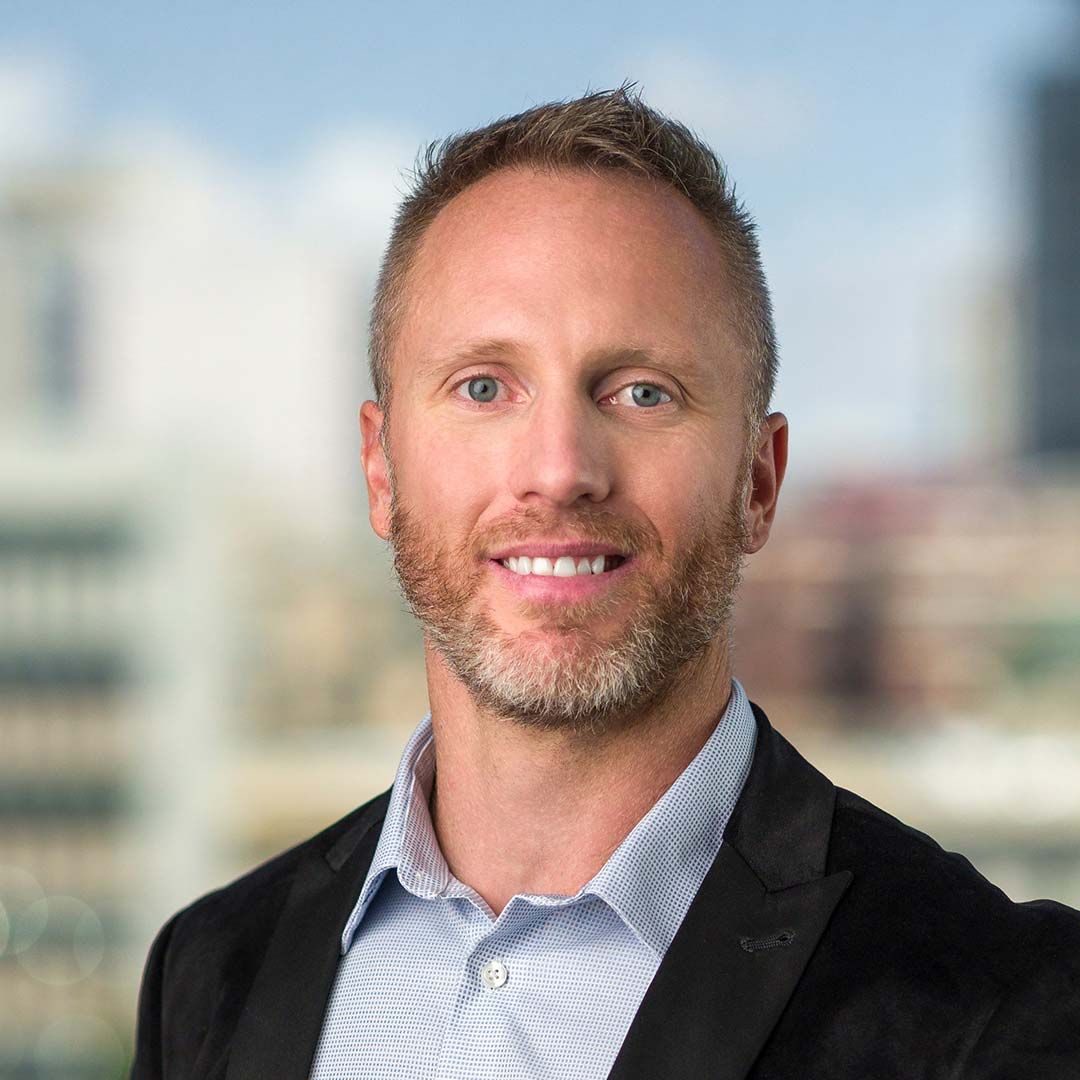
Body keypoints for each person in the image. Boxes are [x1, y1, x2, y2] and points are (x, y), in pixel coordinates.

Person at [130, 85, 1080, 1079]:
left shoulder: (999, 1007)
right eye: (484, 386)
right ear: (381, 469)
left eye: (641, 392)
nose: (559, 469)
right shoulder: (211, 971)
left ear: (758, 483)